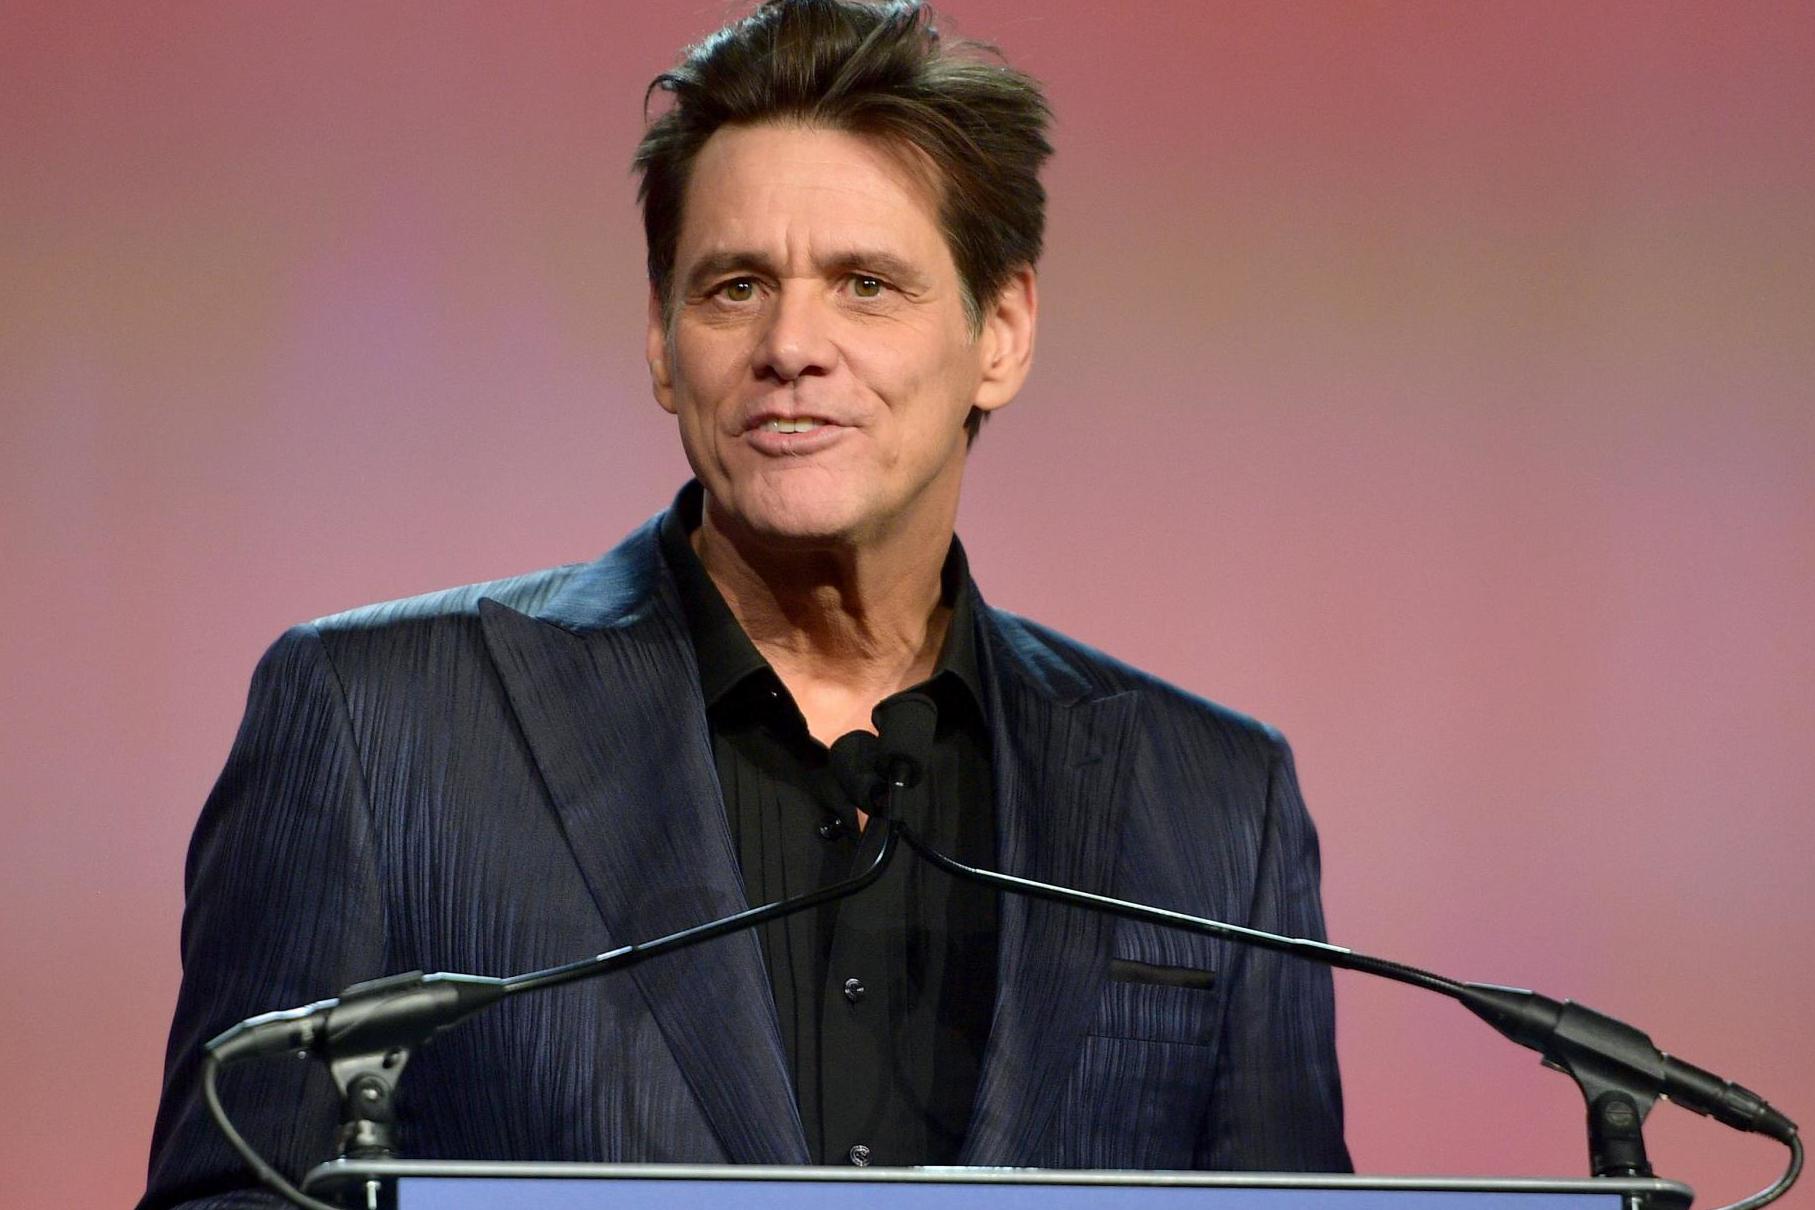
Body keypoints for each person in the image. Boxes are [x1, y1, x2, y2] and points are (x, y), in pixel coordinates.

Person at [141, 2, 1349, 1205]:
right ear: (664, 341)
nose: (790, 345)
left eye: (867, 284)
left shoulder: (1210, 809)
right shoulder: (382, 728)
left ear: (1004, 332)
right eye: (733, 287)